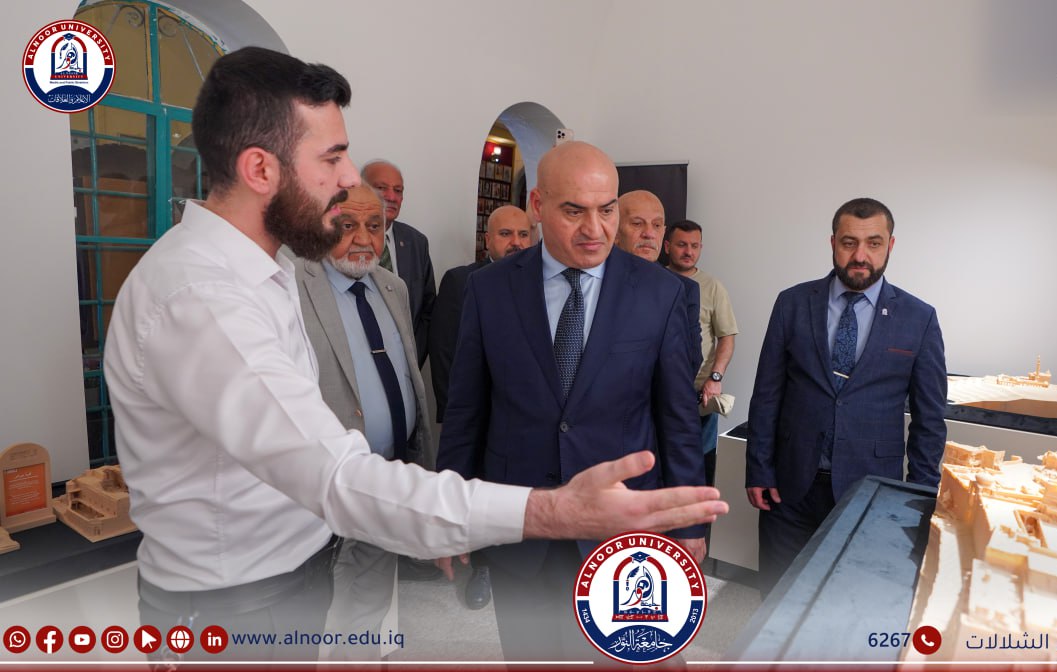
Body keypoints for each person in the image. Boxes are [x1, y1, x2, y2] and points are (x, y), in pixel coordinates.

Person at [103, 47, 725, 662]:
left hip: (280, 585)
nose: (349, 179)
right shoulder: (203, 297)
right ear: (261, 169)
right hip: (233, 610)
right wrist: (548, 509)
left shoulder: (263, 277)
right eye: (331, 157)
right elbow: (339, 476)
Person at [435, 141, 706, 660]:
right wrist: (450, 515)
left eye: (607, 210)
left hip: (622, 531)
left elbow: (677, 419)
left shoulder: (659, 292)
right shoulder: (489, 290)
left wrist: (688, 520)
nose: (594, 229)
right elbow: (466, 412)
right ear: (538, 205)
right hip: (519, 523)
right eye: (574, 211)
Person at [745, 197, 946, 596]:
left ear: (890, 246)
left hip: (872, 493)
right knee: (776, 599)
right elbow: (767, 394)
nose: (860, 256)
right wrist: (759, 469)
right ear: (833, 242)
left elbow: (929, 419)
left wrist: (918, 496)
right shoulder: (792, 303)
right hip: (789, 489)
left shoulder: (918, 318)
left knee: (849, 605)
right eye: (849, 242)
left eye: (873, 243)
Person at [295, 182, 427, 659]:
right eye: (347, 225)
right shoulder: (293, 283)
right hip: (322, 487)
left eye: (374, 226)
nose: (364, 239)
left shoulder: (393, 287)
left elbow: (405, 372)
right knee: (308, 614)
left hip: (387, 475)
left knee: (368, 599)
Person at [427, 204, 533, 609]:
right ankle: (483, 568)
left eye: (523, 234)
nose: (515, 243)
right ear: (487, 240)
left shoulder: (545, 283)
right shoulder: (462, 281)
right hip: (479, 416)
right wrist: (458, 416)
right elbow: (445, 353)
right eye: (506, 234)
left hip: (524, 420)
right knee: (481, 496)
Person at [665, 220, 738, 487]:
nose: (689, 252)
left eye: (694, 246)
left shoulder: (713, 287)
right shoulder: (654, 280)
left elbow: (727, 337)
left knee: (700, 469)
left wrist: (715, 378)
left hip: (700, 396)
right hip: (660, 393)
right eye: (682, 245)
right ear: (667, 246)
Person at [617, 189, 703, 377]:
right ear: (614, 229)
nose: (649, 233)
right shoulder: (589, 281)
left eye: (656, 225)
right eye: (637, 223)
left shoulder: (683, 290)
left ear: (663, 232)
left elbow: (688, 363)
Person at [363, 159, 436, 369]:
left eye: (398, 190)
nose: (392, 197)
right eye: (381, 188)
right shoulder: (345, 242)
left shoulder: (416, 242)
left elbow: (428, 310)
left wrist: (413, 358)